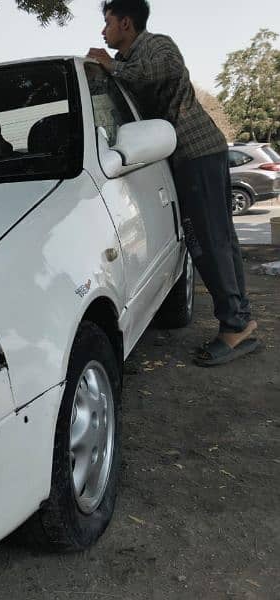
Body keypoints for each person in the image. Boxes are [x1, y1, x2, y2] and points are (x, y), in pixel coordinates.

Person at [87, 0, 258, 367]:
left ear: (126, 23)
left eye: (108, 23)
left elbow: (152, 72)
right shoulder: (132, 62)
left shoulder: (157, 46)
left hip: (197, 153)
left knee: (211, 242)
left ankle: (235, 325)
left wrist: (108, 63)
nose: (103, 32)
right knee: (220, 239)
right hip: (190, 158)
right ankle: (240, 319)